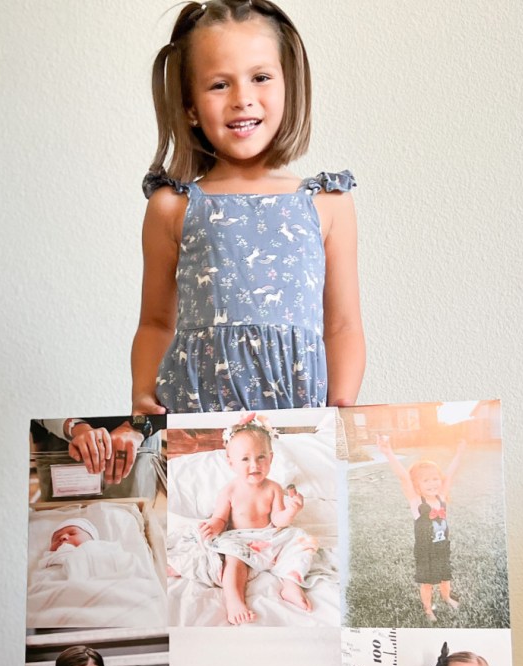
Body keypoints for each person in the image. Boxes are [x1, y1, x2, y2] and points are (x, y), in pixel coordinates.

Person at [131, 0, 364, 414]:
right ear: (189, 106)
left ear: (288, 84)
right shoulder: (172, 206)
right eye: (220, 84)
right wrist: (142, 396)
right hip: (194, 417)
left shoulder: (328, 203)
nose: (242, 99)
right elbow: (155, 322)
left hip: (302, 417)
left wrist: (341, 407)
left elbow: (343, 324)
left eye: (260, 77)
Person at [199, 413, 318, 624]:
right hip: (240, 540)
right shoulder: (230, 490)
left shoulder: (273, 488)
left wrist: (291, 511)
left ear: (270, 458)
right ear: (231, 463)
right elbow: (220, 518)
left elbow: (279, 520)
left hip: (270, 537)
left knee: (302, 540)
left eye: (261, 457)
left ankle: (290, 586)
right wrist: (214, 527)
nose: (254, 465)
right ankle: (234, 601)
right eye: (245, 459)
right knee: (232, 559)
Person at [377, 436, 466, 621]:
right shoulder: (417, 502)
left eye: (435, 479)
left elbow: (450, 474)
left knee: (445, 578)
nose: (433, 483)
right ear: (417, 485)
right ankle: (428, 610)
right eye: (426, 481)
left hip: (442, 549)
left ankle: (447, 597)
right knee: (427, 584)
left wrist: (459, 453)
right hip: (426, 553)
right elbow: (403, 477)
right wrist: (388, 452)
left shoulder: (441, 497)